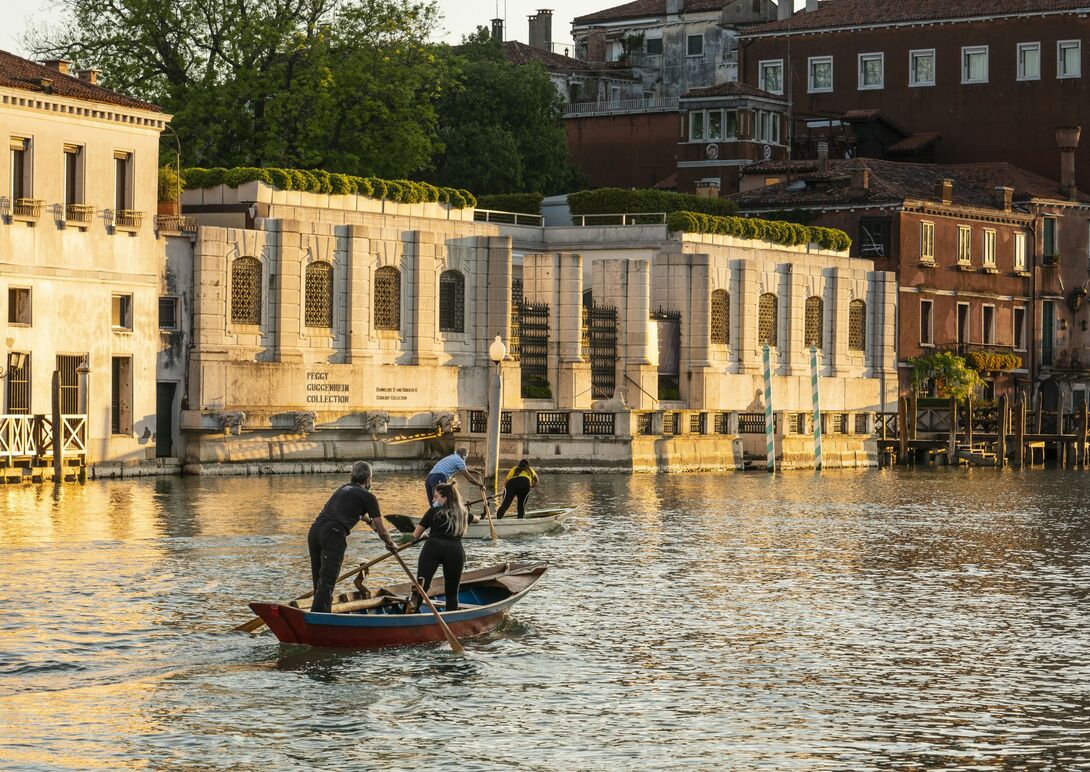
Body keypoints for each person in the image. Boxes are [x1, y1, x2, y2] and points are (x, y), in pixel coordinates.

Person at [308, 461, 395, 613]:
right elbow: (382, 530)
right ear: (368, 479)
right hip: (333, 534)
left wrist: (368, 521)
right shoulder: (368, 496)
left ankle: (321, 613)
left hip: (314, 532)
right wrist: (391, 544)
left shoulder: (343, 489)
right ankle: (318, 622)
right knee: (327, 583)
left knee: (319, 583)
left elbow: (358, 514)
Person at [409, 480, 477, 612]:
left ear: (445, 498)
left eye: (436, 497)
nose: (434, 499)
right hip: (454, 551)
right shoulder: (463, 514)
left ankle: (411, 616)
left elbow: (415, 535)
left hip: (433, 547)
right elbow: (476, 518)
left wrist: (424, 536)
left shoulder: (432, 511)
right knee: (451, 594)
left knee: (421, 588)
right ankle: (451, 619)